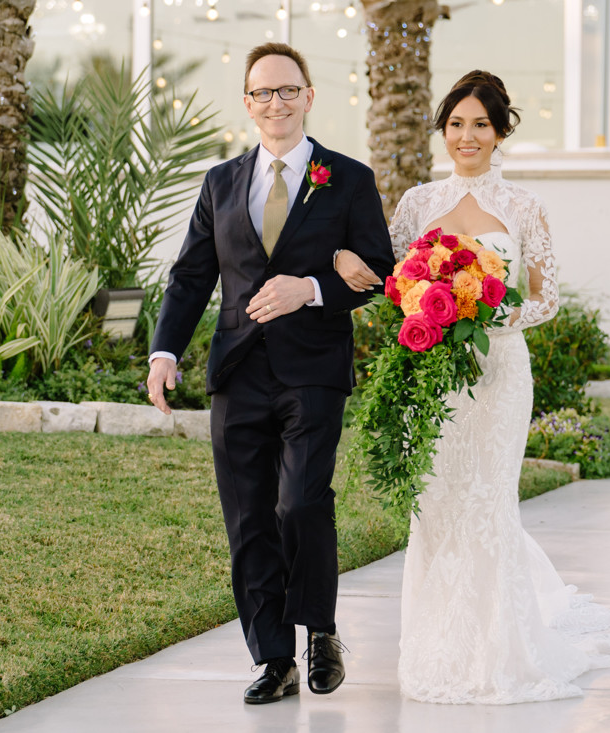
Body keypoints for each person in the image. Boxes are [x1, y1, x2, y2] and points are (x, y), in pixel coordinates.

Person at [335, 70, 610, 704]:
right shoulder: (415, 204)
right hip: (433, 376)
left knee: (488, 505)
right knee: (435, 507)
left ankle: (499, 654)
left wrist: (494, 315)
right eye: (457, 123)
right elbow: (394, 282)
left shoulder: (523, 207)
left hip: (499, 373)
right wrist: (375, 281)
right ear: (443, 129)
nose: (467, 136)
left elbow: (547, 297)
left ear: (500, 132)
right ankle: (438, 652)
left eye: (480, 125)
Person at [146, 42, 395, 706]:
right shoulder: (221, 182)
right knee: (250, 517)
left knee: (302, 501)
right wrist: (164, 352)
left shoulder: (349, 179)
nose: (276, 103)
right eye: (262, 93)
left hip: (312, 370)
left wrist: (311, 287)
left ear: (309, 97)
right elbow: (191, 276)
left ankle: (320, 631)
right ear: (248, 104)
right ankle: (273, 656)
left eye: (288, 91)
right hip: (237, 371)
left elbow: (379, 273)